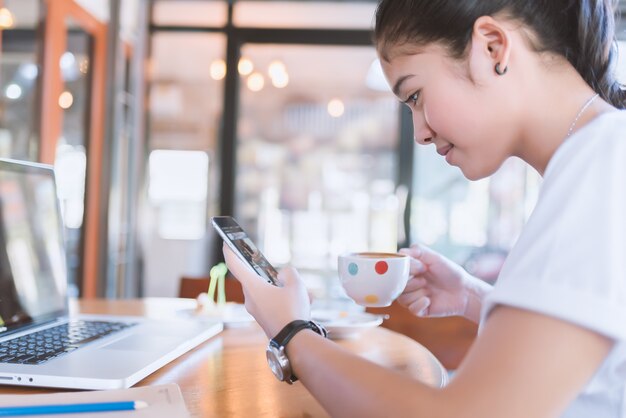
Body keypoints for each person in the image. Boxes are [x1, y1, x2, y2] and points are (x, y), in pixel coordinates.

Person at [223, 0, 626, 416]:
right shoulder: (601, 155)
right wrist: (472, 297)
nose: (420, 133)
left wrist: (292, 332)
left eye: (415, 95)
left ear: (492, 47)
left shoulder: (601, 162)